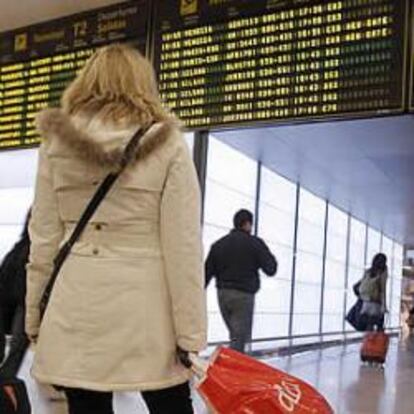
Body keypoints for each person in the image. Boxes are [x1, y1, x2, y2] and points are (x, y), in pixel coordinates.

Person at [25, 44, 206, 414]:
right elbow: (182, 246)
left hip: (76, 298)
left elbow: (43, 240)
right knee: (169, 401)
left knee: (86, 402)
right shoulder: (167, 142)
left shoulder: (54, 146)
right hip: (146, 306)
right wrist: (190, 332)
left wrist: (34, 316)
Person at [205, 209, 277, 353]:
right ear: (248, 224)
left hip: (222, 295)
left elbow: (205, 274)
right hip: (243, 297)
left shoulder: (218, 245)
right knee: (238, 341)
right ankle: (232, 371)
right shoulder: (255, 243)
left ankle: (233, 366)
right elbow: (271, 269)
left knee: (235, 337)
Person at [0, 211, 30, 378]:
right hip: (22, 300)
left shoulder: (19, 248)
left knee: (17, 348)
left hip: (22, 300)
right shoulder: (22, 248)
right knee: (17, 348)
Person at [359, 253, 388, 332]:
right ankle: (377, 343)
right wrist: (384, 306)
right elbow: (383, 290)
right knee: (379, 326)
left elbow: (361, 286)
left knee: (369, 326)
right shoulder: (382, 272)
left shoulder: (368, 271)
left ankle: (368, 342)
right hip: (376, 303)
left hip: (366, 303)